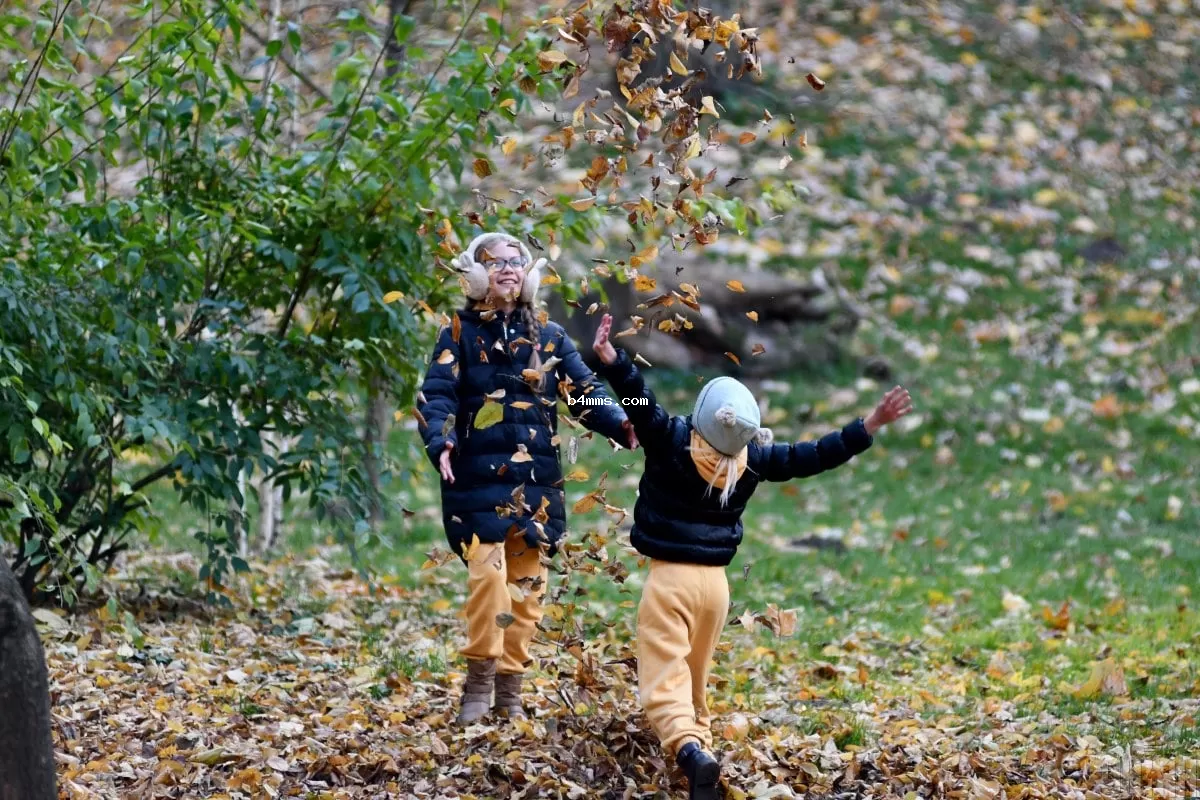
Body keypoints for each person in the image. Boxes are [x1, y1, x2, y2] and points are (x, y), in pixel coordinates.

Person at [590, 313, 911, 799]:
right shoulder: (752, 461)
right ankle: (705, 758)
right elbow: (812, 455)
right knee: (695, 674)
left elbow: (640, 401)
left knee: (662, 680)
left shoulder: (672, 440)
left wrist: (611, 362)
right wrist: (868, 424)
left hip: (671, 582)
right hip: (715, 589)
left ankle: (689, 751)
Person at [417, 233, 638, 725]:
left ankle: (509, 690)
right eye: (494, 263)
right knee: (488, 582)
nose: (507, 270)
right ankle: (478, 680)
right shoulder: (457, 332)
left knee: (528, 592)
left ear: (529, 274)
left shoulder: (549, 335)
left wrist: (630, 419)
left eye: (516, 262)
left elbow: (586, 392)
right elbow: (437, 397)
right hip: (477, 484)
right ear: (475, 277)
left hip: (537, 486)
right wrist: (442, 440)